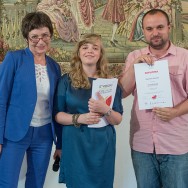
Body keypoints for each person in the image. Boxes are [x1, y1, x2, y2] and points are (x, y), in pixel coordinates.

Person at [119, 9, 188, 188]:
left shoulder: (185, 57)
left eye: (159, 27)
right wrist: (135, 66)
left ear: (169, 27)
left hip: (176, 143)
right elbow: (122, 93)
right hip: (142, 144)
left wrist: (175, 112)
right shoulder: (134, 57)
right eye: (149, 28)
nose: (155, 33)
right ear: (143, 30)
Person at [0, 12, 62, 188]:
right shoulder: (14, 58)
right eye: (34, 36)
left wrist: (61, 143)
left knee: (36, 183)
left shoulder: (54, 66)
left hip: (44, 135)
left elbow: (57, 106)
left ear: (50, 35)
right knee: (6, 183)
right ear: (27, 37)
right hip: (14, 134)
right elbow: (1, 99)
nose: (40, 41)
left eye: (45, 35)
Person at [53, 33, 123, 188]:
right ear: (79, 52)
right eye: (85, 47)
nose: (89, 51)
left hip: (101, 145)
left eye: (95, 48)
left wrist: (106, 110)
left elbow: (118, 119)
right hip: (75, 144)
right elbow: (57, 115)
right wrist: (79, 118)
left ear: (100, 54)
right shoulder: (66, 80)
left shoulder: (110, 83)